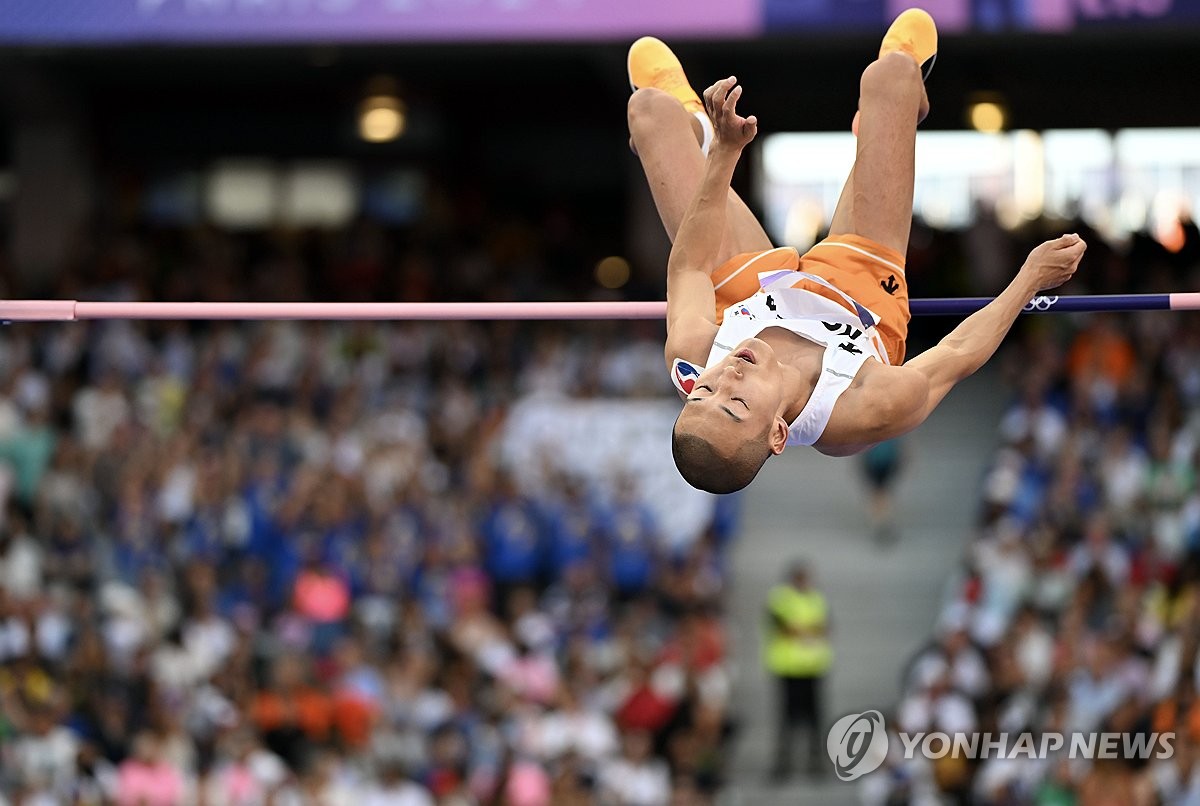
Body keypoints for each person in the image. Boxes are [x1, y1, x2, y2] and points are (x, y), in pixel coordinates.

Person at [625, 9, 1087, 493]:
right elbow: (957, 354)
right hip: (859, 291)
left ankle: (694, 123)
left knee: (650, 113)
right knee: (891, 76)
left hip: (746, 286)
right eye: (736, 403)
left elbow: (690, 265)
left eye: (704, 390)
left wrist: (723, 152)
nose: (728, 376)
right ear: (778, 433)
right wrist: (1030, 278)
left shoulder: (694, 354)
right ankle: (888, 118)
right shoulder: (863, 408)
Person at [763, 562, 832, 780]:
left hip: (813, 667)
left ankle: (815, 761)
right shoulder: (780, 598)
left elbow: (825, 627)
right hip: (788, 668)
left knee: (814, 718)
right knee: (787, 718)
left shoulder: (816, 598)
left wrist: (802, 630)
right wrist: (807, 630)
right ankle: (783, 762)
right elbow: (782, 626)